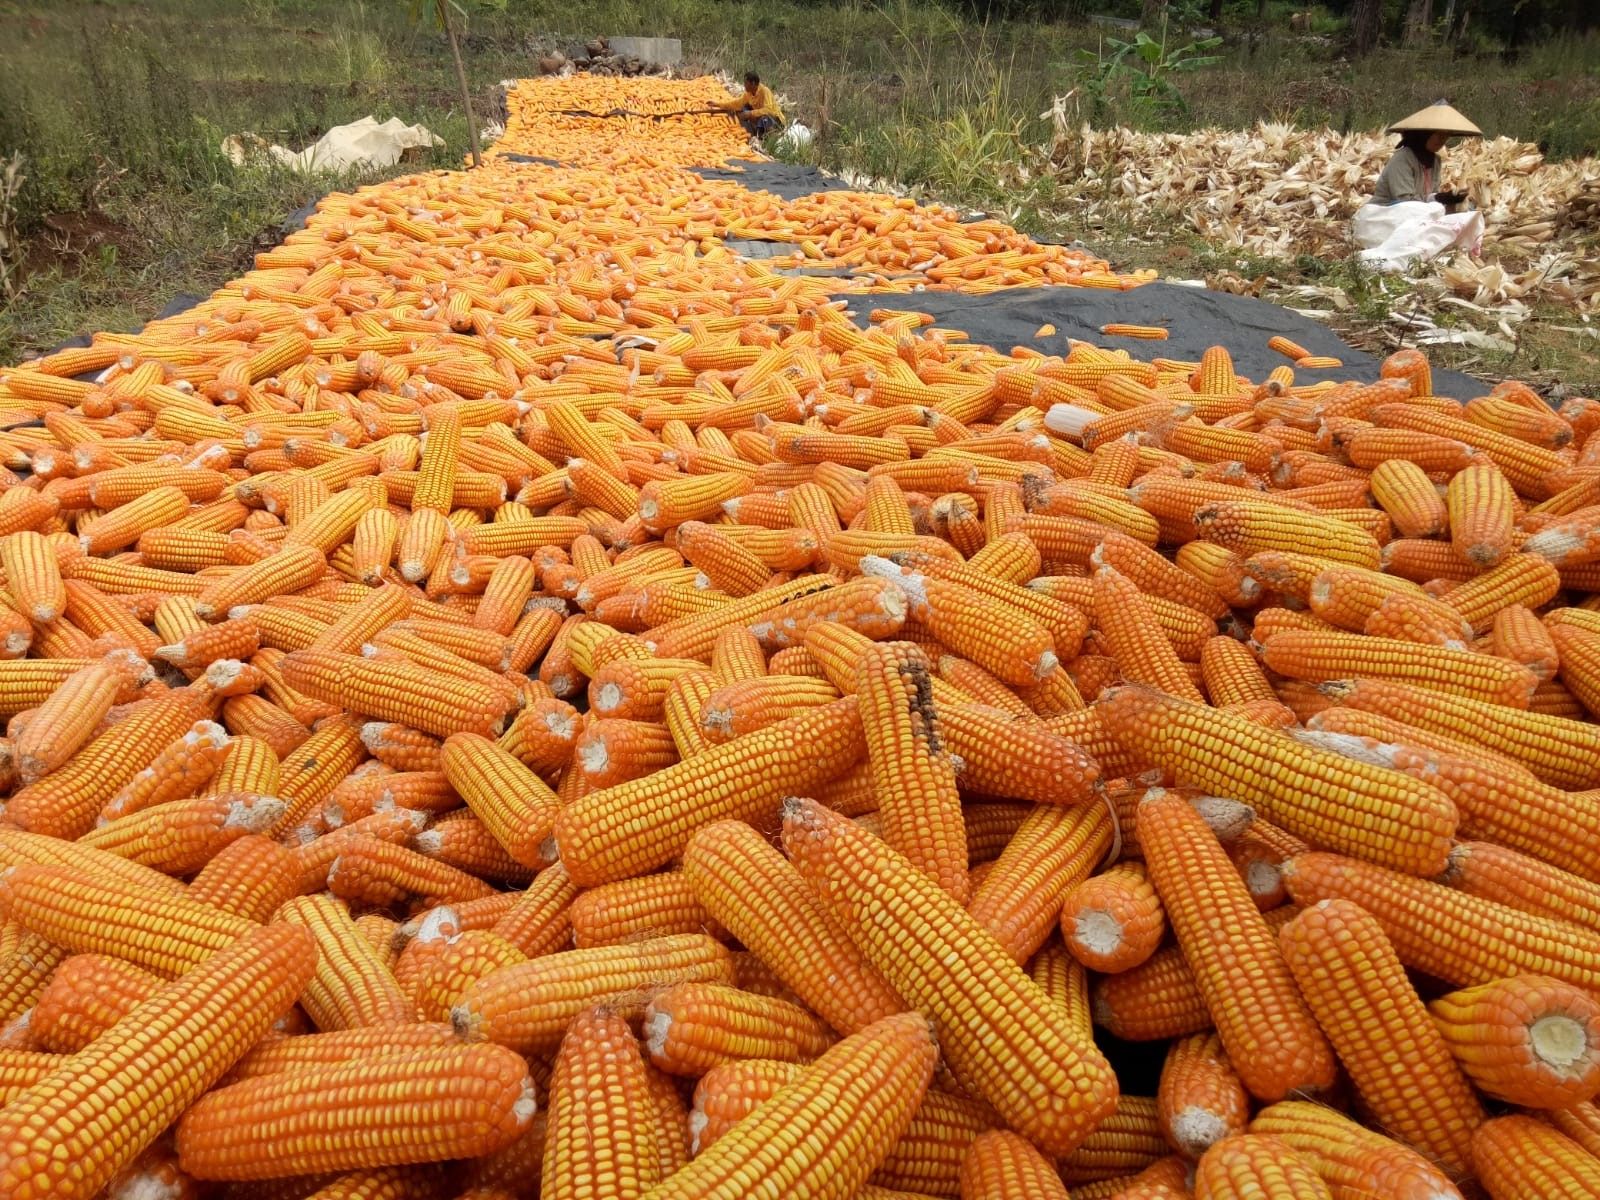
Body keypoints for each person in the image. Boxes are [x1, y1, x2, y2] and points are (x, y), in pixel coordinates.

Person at [1352, 101, 1485, 270]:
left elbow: (1428, 199)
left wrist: (1447, 198)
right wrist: (1437, 202)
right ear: (1423, 135)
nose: (1442, 140)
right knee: (1428, 211)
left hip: (1417, 213)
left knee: (1467, 211)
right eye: (1438, 135)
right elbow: (1404, 201)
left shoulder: (1435, 161)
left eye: (1446, 136)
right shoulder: (1402, 159)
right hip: (1383, 216)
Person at [710, 72, 784, 141]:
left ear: (753, 83)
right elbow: (737, 103)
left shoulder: (765, 91)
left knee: (764, 118)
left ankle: (771, 137)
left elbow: (768, 110)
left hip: (775, 120)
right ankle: (757, 132)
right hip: (760, 117)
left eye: (746, 83)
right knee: (744, 107)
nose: (744, 85)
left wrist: (750, 113)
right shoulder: (748, 93)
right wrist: (718, 104)